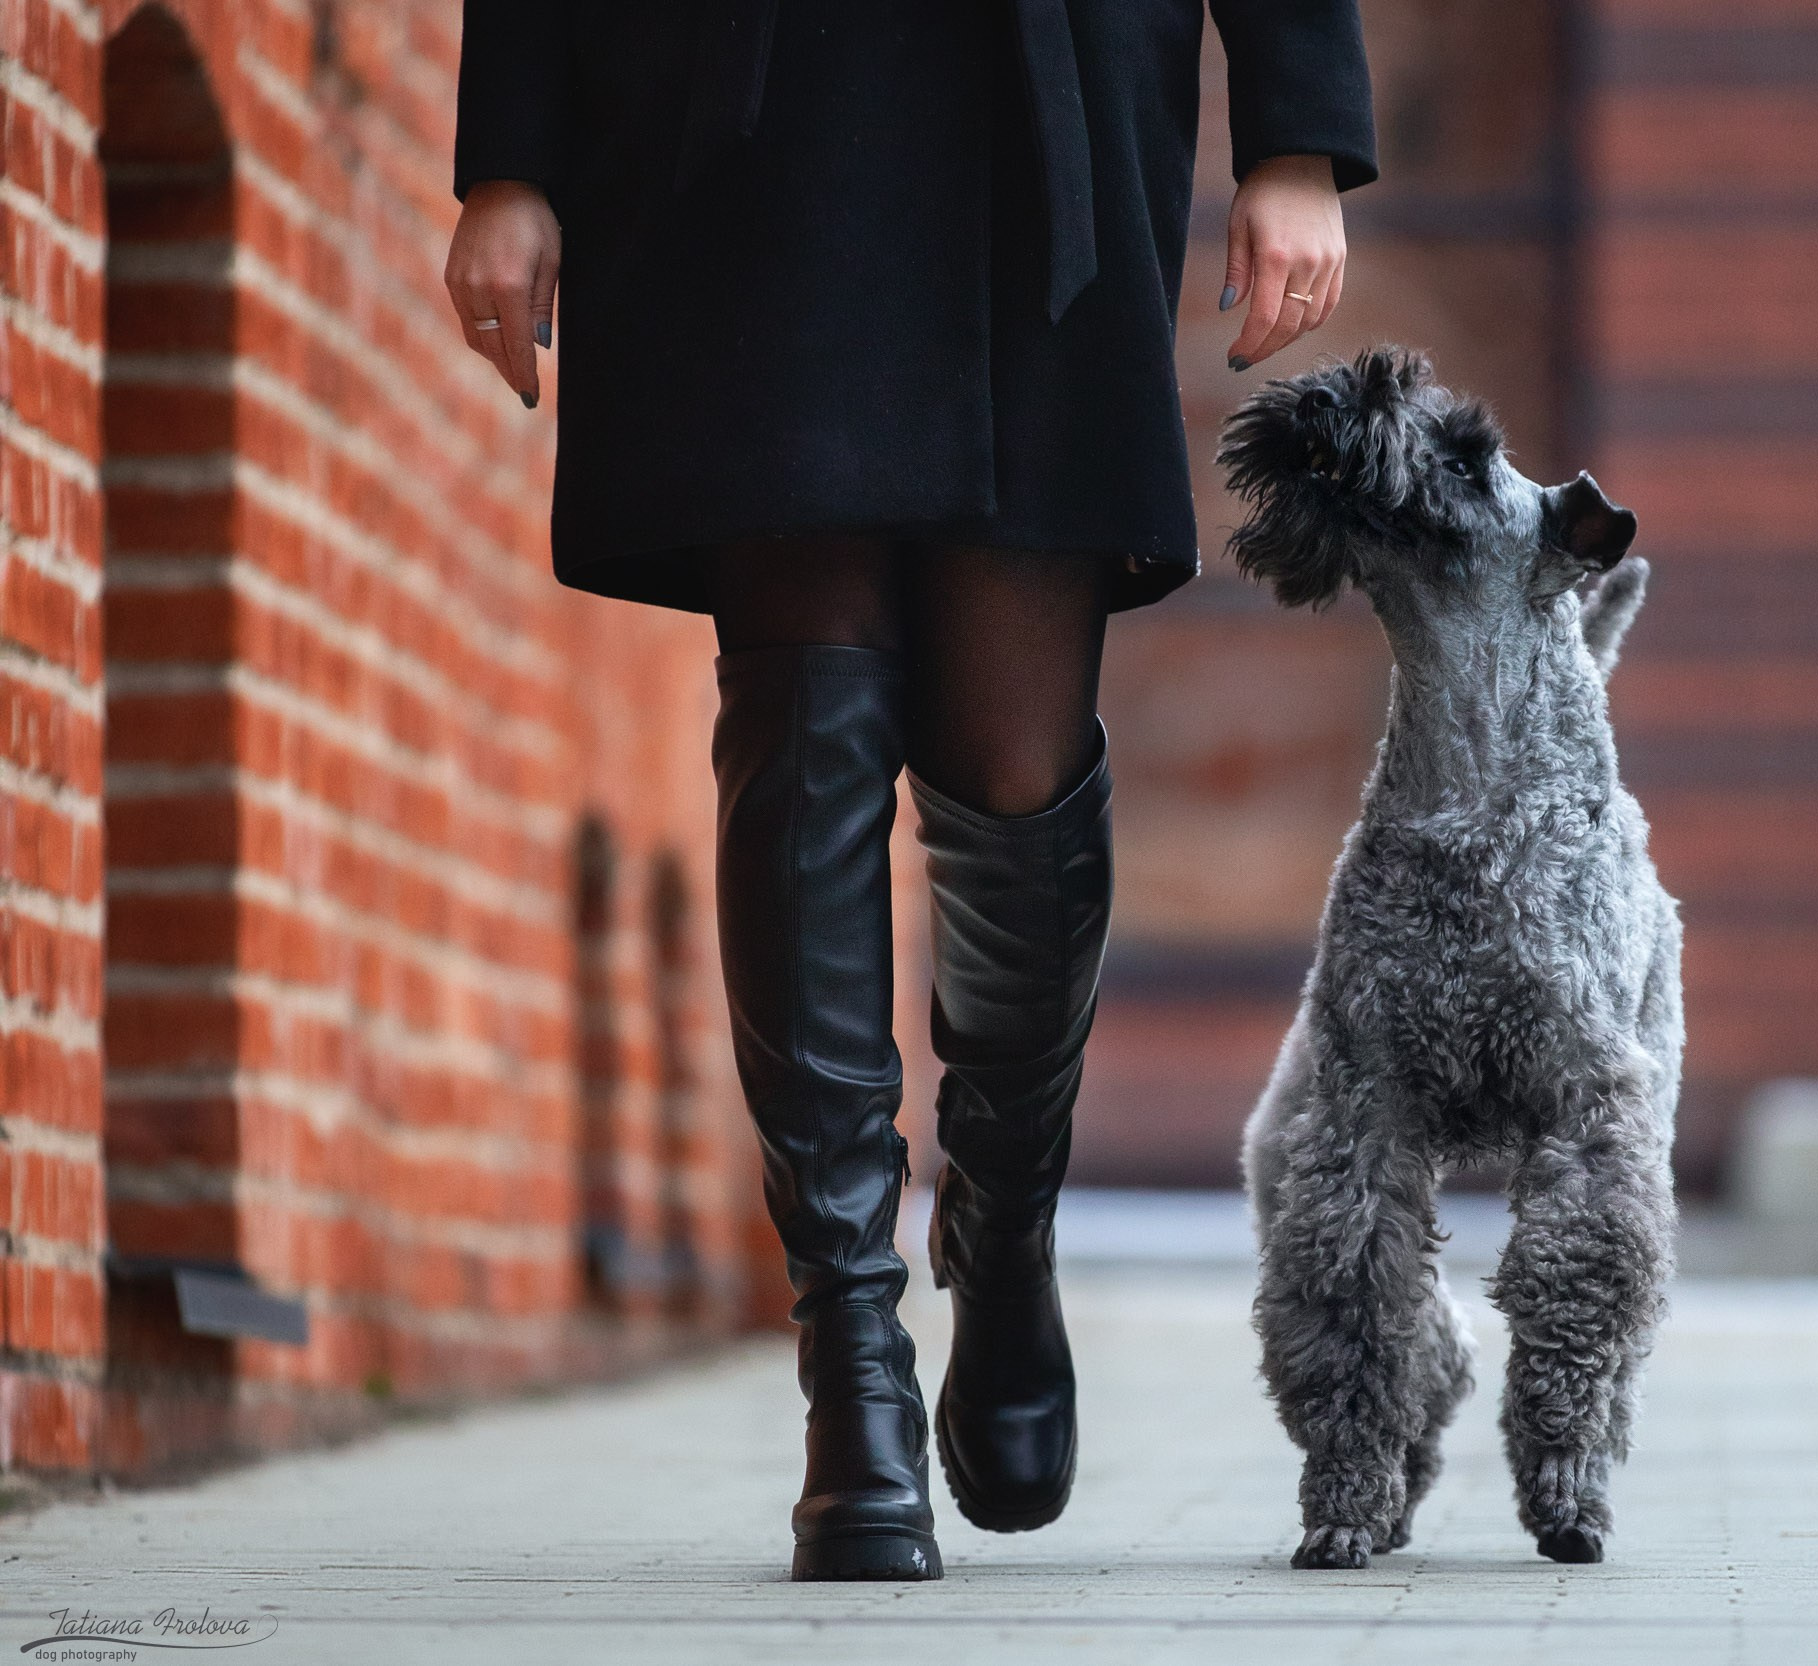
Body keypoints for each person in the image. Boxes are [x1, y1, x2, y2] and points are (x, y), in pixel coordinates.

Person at [444, 0, 1376, 1582]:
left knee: (1015, 752)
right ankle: (851, 1358)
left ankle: (1002, 1218)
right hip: (745, 109)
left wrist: (1296, 128)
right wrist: (514, 153)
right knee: (805, 717)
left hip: (1050, 96)